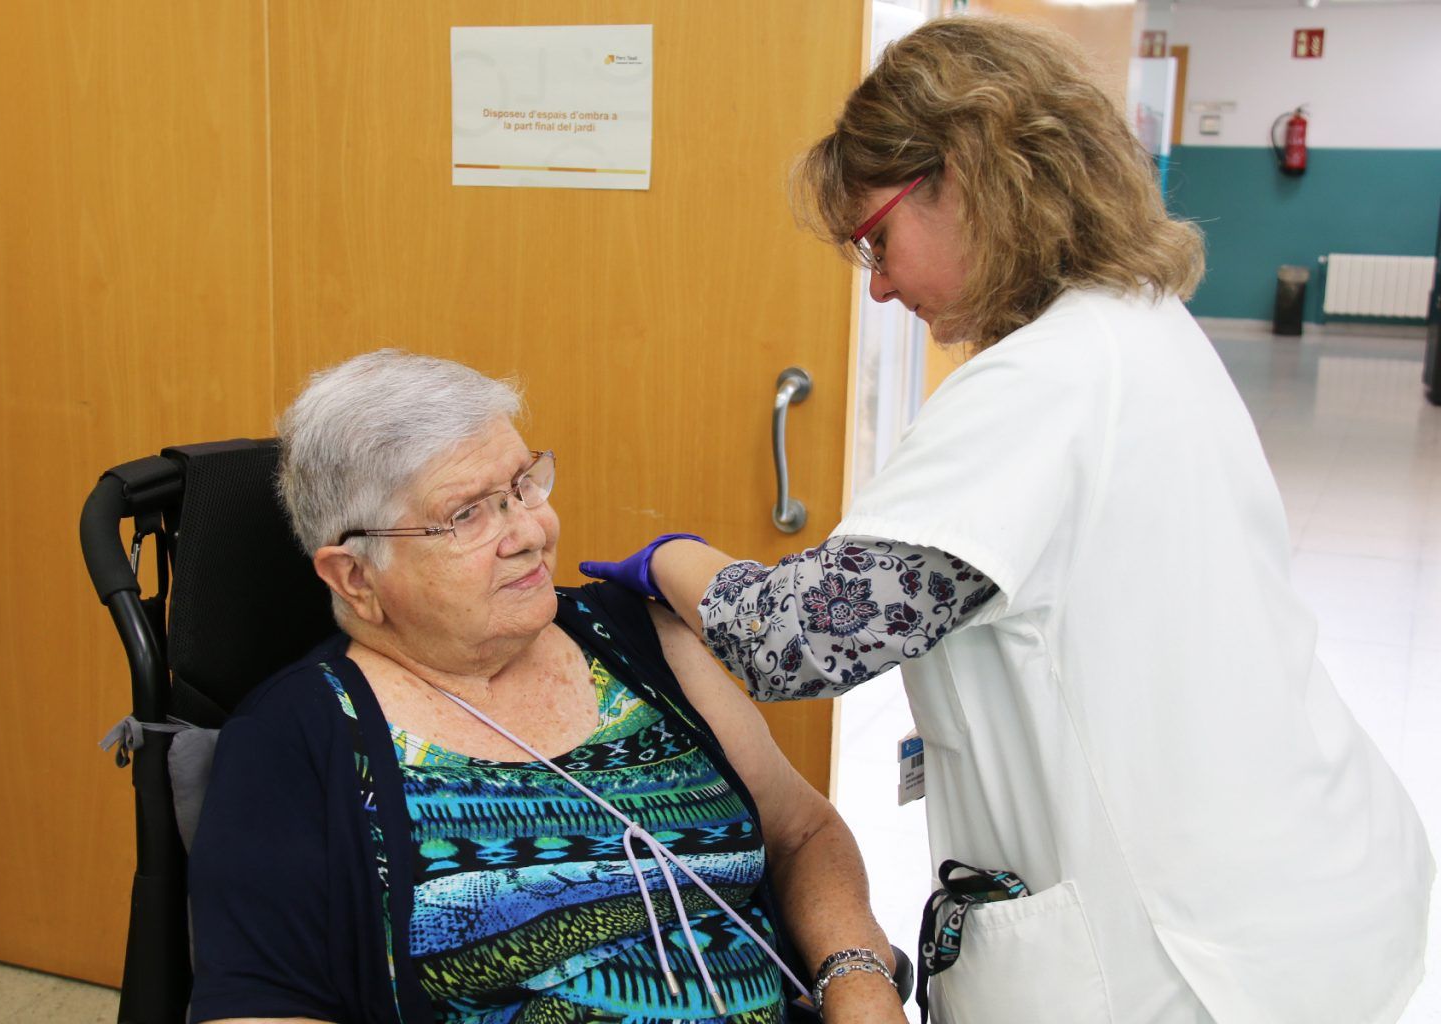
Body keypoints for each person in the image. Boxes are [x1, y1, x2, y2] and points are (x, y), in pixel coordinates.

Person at [582, 16, 1434, 1024]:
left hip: (1182, 957)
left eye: (878, 240)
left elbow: (795, 639)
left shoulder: (1042, 383)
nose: (883, 283)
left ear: (971, 178)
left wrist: (674, 557)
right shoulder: (1140, 325)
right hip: (1314, 867)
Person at [186, 349, 911, 1024]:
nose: (530, 531)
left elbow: (802, 832)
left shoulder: (633, 638)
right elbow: (261, 1007)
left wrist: (858, 979)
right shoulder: (292, 744)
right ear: (354, 577)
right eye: (467, 514)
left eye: (523, 484)